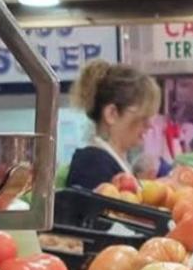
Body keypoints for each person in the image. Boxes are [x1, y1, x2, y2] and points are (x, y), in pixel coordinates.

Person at [65, 62, 159, 191]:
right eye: (143, 117)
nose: (149, 125)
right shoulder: (93, 166)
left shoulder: (110, 162)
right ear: (112, 114)